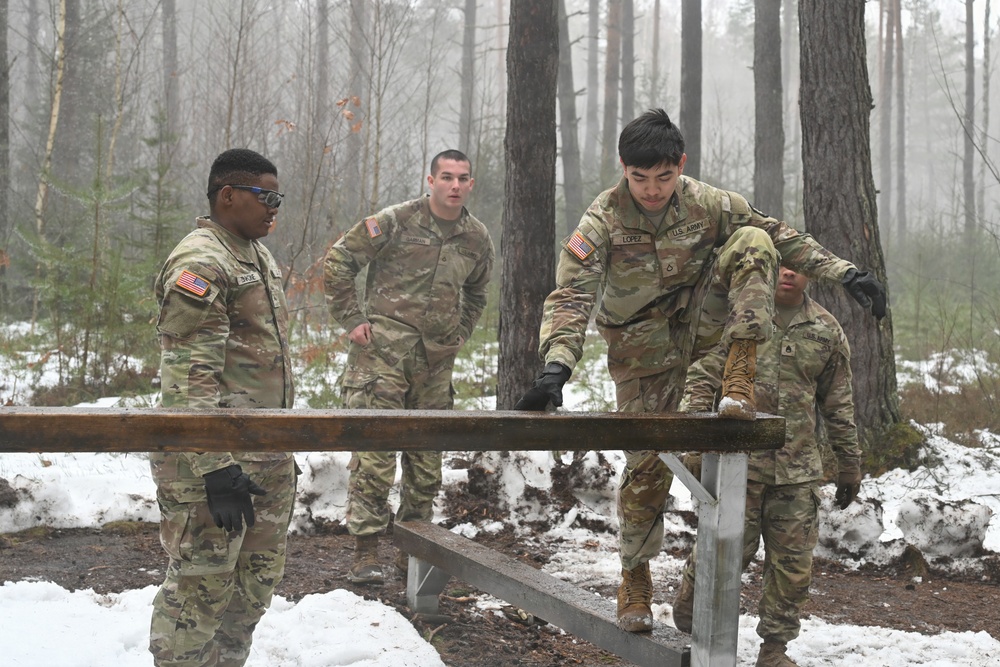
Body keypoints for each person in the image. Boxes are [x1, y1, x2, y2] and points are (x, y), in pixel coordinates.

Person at [514, 109, 884, 632]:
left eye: (663, 177)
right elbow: (572, 294)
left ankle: (740, 370)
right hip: (640, 351)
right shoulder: (603, 219)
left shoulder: (709, 203)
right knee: (647, 466)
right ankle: (635, 576)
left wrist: (846, 273)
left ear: (680, 165)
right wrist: (556, 367)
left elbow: (781, 235)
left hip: (706, 334)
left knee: (755, 241)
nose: (651, 189)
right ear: (624, 169)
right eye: (639, 178)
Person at [148, 148, 297, 667]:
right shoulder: (202, 261)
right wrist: (214, 466)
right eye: (267, 196)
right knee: (198, 593)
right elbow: (187, 379)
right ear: (227, 196)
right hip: (210, 465)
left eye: (279, 197)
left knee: (252, 591)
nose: (275, 206)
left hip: (265, 459)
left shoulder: (254, 254)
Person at [672, 264, 861, 667]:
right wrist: (694, 439)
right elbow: (702, 375)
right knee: (726, 554)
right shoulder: (741, 319)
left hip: (797, 472)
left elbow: (838, 403)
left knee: (792, 568)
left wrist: (849, 464)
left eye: (799, 268)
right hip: (740, 466)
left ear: (811, 275)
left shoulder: (825, 329)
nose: (790, 274)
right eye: (783, 266)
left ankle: (774, 649)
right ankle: (693, 611)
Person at [324, 149, 495, 585]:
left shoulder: (476, 238)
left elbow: (477, 293)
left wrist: (460, 333)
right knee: (375, 456)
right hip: (383, 356)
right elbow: (340, 261)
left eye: (462, 178)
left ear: (471, 184)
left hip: (435, 365)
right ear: (430, 179)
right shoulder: (396, 221)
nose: (454, 185)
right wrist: (352, 320)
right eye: (446, 177)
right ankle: (365, 553)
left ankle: (411, 552)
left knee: (425, 464)